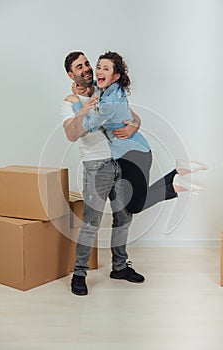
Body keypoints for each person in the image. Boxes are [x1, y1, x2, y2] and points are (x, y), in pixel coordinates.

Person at [70, 51, 207, 215]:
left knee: (135, 205)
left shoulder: (109, 105)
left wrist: (76, 103)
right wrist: (86, 87)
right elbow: (96, 87)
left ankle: (176, 182)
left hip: (133, 155)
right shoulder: (109, 89)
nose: (99, 71)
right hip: (133, 151)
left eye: (106, 69)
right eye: (99, 67)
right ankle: (178, 173)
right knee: (134, 202)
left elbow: (87, 127)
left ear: (115, 76)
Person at [62, 51, 145, 296]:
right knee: (91, 223)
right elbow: (71, 134)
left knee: (124, 217)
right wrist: (81, 108)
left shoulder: (104, 90)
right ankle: (79, 274)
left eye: (88, 63)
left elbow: (134, 118)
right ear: (71, 74)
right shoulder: (69, 101)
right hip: (96, 167)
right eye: (80, 66)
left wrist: (132, 128)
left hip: (121, 162)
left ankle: (119, 266)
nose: (87, 69)